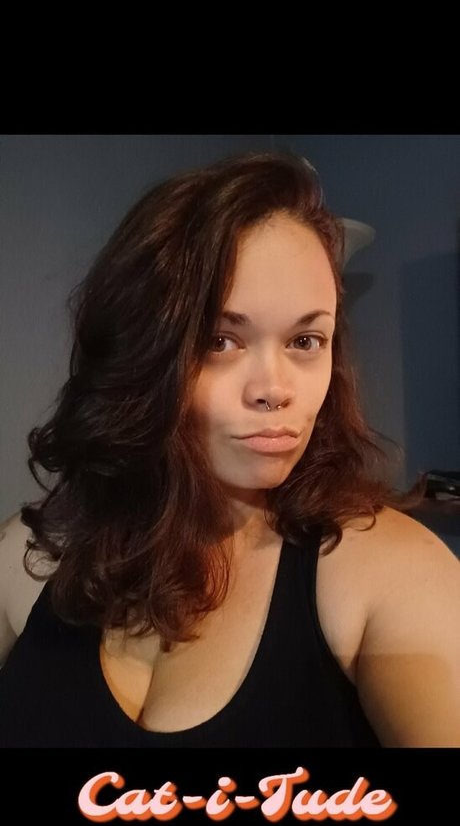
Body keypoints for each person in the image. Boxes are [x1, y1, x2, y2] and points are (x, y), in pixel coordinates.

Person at [0, 150, 459, 748]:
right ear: (140, 354)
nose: (275, 390)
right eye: (220, 340)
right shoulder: (28, 553)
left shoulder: (391, 575)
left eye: (305, 340)